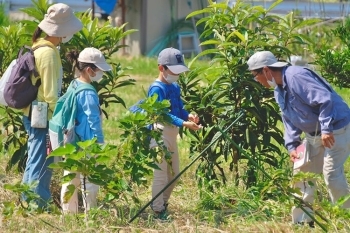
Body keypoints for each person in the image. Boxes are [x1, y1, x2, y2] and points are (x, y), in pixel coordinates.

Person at [247, 50, 350, 226]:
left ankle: (345, 218)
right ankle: (303, 222)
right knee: (301, 173)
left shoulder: (296, 76)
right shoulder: (278, 91)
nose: (256, 80)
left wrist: (326, 129)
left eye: (255, 75)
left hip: (336, 129)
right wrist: (292, 145)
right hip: (313, 135)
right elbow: (289, 119)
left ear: (266, 70)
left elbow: (325, 100)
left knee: (331, 175)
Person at [22, 3, 82, 209]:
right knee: (41, 160)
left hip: (36, 111)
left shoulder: (42, 46)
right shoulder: (47, 53)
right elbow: (49, 94)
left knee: (36, 157)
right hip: (41, 114)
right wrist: (62, 118)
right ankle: (37, 204)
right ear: (61, 30)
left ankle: (29, 200)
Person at [149, 47, 202, 220]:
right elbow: (162, 113)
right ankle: (157, 210)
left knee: (174, 173)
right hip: (159, 132)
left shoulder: (174, 86)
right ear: (161, 68)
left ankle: (162, 204)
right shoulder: (156, 88)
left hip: (172, 133)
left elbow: (177, 108)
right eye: (173, 71)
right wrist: (182, 122)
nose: (176, 75)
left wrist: (188, 115)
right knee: (160, 173)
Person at [60, 47, 111, 213]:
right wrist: (100, 142)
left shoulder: (74, 84)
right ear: (89, 70)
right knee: (90, 180)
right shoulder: (89, 92)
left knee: (70, 178)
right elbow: (93, 119)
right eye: (99, 70)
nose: (101, 73)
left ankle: (68, 213)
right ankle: (92, 211)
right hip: (87, 143)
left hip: (70, 139)